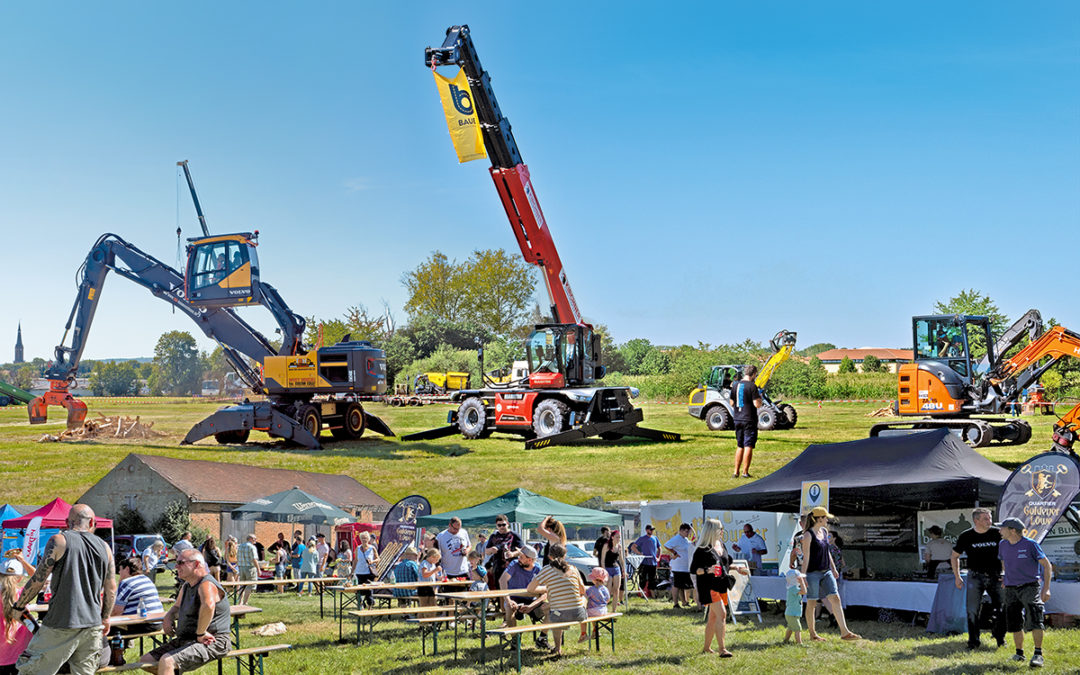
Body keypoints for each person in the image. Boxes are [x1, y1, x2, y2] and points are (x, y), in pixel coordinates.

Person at [12, 504, 116, 675]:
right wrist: (105, 618)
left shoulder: (59, 541)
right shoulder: (105, 547)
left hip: (61, 624)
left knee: (32, 671)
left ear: (67, 522)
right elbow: (111, 588)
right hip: (92, 626)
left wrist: (19, 605)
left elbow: (39, 580)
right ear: (92, 522)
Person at [139, 550, 230, 675]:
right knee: (146, 661)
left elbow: (208, 605)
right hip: (187, 639)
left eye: (180, 563)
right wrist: (168, 618)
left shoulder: (206, 583)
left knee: (167, 661)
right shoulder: (187, 585)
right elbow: (176, 607)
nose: (176, 566)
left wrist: (201, 633)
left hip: (214, 641)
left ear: (197, 564)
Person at [997, 517, 1052, 668]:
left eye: (1002, 528)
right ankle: (1019, 653)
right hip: (1010, 588)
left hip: (1030, 586)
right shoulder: (1002, 544)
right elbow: (1004, 562)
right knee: (1014, 622)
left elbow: (1047, 566)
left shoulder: (1031, 545)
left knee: (1035, 619)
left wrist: (1046, 588)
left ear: (1012, 530)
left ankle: (1038, 654)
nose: (999, 530)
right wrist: (1005, 578)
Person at [800, 507, 860, 642]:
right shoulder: (808, 535)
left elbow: (827, 552)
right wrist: (803, 578)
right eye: (825, 517)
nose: (827, 520)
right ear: (818, 519)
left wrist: (833, 569)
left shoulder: (824, 531)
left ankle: (845, 632)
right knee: (812, 603)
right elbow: (806, 557)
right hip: (812, 573)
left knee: (836, 599)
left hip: (826, 572)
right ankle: (813, 634)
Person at [950, 506, 1006, 649]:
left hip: (996, 576)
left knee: (1002, 608)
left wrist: (1006, 574)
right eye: (986, 519)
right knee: (972, 610)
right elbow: (954, 556)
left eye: (990, 518)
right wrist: (957, 577)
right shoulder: (966, 536)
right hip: (975, 577)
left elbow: (1006, 555)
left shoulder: (997, 533)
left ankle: (1000, 638)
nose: (990, 521)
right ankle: (973, 642)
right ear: (976, 520)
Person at [527, 544, 586, 657]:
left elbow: (530, 588)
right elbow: (582, 590)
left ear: (549, 556)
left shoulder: (546, 570)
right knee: (582, 598)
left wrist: (547, 587)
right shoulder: (573, 569)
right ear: (565, 556)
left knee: (555, 612)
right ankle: (584, 631)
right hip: (579, 615)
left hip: (559, 615)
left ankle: (558, 648)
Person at [692, 518, 736, 657]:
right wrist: (708, 570)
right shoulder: (702, 550)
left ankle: (706, 648)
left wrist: (737, 568)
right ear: (712, 531)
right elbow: (694, 569)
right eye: (720, 528)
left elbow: (726, 564)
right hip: (708, 586)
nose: (722, 531)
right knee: (722, 615)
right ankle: (722, 649)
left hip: (721, 585)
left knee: (713, 617)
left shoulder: (721, 545)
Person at [499, 546, 549, 650]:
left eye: (521, 557)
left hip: (532, 601)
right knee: (508, 608)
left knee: (551, 609)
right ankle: (514, 640)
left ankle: (542, 638)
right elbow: (502, 580)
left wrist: (531, 606)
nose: (518, 558)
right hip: (514, 599)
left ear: (530, 560)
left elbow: (546, 592)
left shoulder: (538, 569)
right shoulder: (514, 564)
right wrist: (508, 600)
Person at [1, 553, 35, 675]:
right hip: (20, 654)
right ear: (20, 578)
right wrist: (23, 560)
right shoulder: (22, 594)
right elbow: (41, 578)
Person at [729, 364, 762, 478]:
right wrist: (760, 397)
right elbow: (756, 404)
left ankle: (735, 472)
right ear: (753, 374)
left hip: (737, 418)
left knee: (740, 445)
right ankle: (745, 472)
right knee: (748, 445)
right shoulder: (752, 386)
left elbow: (731, 403)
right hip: (749, 419)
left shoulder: (735, 385)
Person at [664, 523, 696, 608]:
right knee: (676, 585)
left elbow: (694, 541)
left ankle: (684, 602)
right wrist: (674, 553)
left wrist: (692, 530)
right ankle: (675, 603)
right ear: (681, 531)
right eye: (686, 531)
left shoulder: (685, 539)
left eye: (688, 531)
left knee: (681, 586)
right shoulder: (676, 538)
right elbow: (666, 545)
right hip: (678, 567)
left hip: (685, 567)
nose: (688, 533)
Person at [484, 515, 522, 589]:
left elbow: (522, 550)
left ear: (507, 523)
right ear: (496, 526)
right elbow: (487, 551)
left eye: (503, 525)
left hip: (511, 568)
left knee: (511, 590)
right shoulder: (494, 536)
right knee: (499, 590)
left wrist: (513, 554)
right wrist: (492, 549)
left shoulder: (514, 535)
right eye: (499, 525)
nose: (501, 527)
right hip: (497, 568)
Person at [579, 567, 610, 642]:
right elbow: (608, 599)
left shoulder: (591, 589)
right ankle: (595, 630)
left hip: (593, 610)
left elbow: (584, 597)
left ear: (594, 579)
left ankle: (583, 633)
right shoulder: (605, 589)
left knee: (583, 615)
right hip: (603, 610)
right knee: (594, 615)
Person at [630, 525, 661, 598]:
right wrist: (640, 553)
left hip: (653, 562)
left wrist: (658, 557)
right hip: (644, 562)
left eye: (653, 530)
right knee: (642, 578)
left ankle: (653, 595)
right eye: (650, 530)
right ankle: (641, 594)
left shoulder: (655, 538)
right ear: (646, 530)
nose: (652, 531)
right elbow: (633, 547)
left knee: (652, 579)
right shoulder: (642, 538)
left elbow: (659, 548)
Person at [352, 531, 379, 606]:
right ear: (360, 539)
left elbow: (378, 559)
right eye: (362, 538)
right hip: (359, 573)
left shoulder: (372, 548)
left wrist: (372, 561)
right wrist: (352, 571)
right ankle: (361, 606)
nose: (364, 540)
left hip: (368, 573)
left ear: (368, 539)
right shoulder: (357, 548)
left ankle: (370, 607)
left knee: (369, 592)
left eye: (366, 538)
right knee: (358, 592)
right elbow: (355, 560)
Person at [783, 568, 807, 645]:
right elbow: (804, 592)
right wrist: (802, 582)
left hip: (792, 613)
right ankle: (799, 643)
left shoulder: (792, 588)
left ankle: (786, 640)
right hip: (792, 613)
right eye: (800, 579)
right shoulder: (793, 589)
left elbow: (803, 590)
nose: (801, 580)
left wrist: (802, 583)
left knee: (790, 628)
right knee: (798, 628)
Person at [236, 534, 259, 606]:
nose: (256, 540)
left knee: (242, 585)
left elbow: (238, 557)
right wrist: (258, 569)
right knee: (250, 586)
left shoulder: (240, 546)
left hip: (241, 567)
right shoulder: (252, 547)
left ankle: (240, 602)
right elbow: (254, 559)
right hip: (250, 568)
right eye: (255, 538)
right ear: (251, 539)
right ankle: (245, 602)